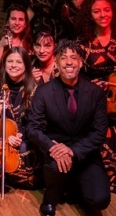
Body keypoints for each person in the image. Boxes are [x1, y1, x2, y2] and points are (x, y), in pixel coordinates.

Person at [27, 39, 110, 216]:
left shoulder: (95, 92)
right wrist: (52, 147)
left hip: (85, 153)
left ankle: (75, 188)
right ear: (56, 62)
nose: (69, 62)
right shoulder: (44, 92)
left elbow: (99, 132)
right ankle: (51, 198)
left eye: (74, 57)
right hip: (56, 152)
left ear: (81, 62)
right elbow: (33, 128)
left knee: (101, 200)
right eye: (63, 58)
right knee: (57, 166)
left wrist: (72, 151)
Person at [76, 0, 116, 192]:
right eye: (97, 11)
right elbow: (73, 74)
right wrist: (91, 86)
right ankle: (105, 177)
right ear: (89, 15)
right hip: (94, 98)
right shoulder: (83, 43)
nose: (103, 15)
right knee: (103, 128)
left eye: (107, 10)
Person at [0, 47, 42, 188]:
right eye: (10, 61)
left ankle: (14, 176)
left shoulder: (36, 89)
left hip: (23, 136)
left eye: (19, 62)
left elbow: (36, 121)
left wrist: (20, 135)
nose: (13, 65)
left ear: (26, 66)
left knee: (23, 149)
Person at [0, 4, 33, 74]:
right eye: (13, 19)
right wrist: (0, 46)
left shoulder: (30, 44)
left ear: (25, 24)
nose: (17, 23)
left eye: (21, 19)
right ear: (8, 21)